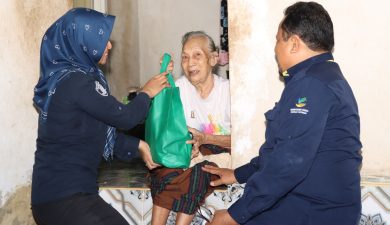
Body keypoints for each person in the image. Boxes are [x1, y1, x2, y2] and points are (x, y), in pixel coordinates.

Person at [203, 2, 362, 225]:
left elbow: (287, 163)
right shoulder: (323, 78)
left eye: (278, 40)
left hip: (315, 212)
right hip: (316, 208)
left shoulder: (311, 84)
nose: (276, 49)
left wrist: (234, 215)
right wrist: (239, 174)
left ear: (294, 44)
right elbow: (282, 149)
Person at [31, 8, 169, 225]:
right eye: (102, 39)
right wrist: (146, 93)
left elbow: (93, 133)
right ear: (82, 41)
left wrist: (139, 146)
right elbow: (125, 118)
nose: (109, 45)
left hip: (58, 196)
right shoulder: (76, 82)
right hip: (66, 198)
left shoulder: (66, 80)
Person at [150, 31, 231, 225]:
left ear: (213, 59)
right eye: (184, 57)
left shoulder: (228, 91)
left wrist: (206, 139)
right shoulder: (179, 88)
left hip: (221, 153)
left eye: (197, 55)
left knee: (199, 173)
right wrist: (164, 76)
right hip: (189, 152)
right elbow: (166, 128)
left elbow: (245, 141)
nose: (190, 63)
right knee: (164, 170)